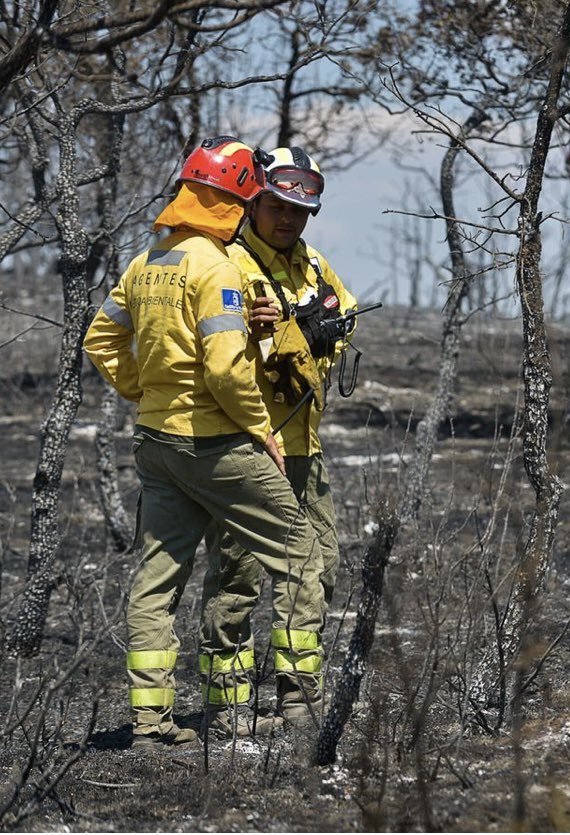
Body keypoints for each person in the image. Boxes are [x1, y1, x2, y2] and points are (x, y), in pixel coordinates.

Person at [83, 137, 326, 748]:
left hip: (156, 443)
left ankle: (149, 724)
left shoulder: (149, 260)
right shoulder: (215, 264)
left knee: (157, 581)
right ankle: (298, 709)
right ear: (239, 199)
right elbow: (222, 369)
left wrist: (146, 391)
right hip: (216, 445)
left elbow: (100, 340)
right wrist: (260, 428)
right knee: (301, 556)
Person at [197, 146, 358, 737]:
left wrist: (323, 334)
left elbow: (347, 315)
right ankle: (227, 706)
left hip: (303, 446)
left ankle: (298, 696)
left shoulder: (313, 265)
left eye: (300, 211)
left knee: (319, 568)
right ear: (254, 202)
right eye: (277, 206)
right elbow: (220, 347)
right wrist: (278, 331)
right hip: (245, 443)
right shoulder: (230, 264)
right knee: (237, 576)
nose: (288, 220)